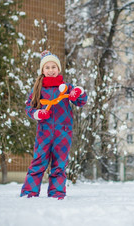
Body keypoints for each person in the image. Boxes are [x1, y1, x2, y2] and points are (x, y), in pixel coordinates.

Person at [20, 50, 87, 199]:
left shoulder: (66, 87)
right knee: (38, 161)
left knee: (60, 164)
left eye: (53, 67)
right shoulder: (38, 89)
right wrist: (38, 114)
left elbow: (81, 101)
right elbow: (29, 107)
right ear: (43, 70)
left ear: (58, 69)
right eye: (47, 67)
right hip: (44, 132)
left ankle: (57, 193)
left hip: (63, 132)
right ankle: (29, 193)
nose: (51, 70)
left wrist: (78, 93)